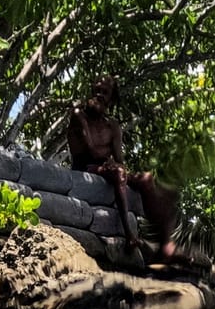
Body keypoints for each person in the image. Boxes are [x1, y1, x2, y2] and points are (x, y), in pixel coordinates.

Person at [65, 76, 182, 260]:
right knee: (118, 172)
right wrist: (113, 165)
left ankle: (164, 241)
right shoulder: (79, 114)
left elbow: (120, 159)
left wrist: (116, 165)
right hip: (85, 169)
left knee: (147, 179)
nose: (99, 95)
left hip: (105, 168)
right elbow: (91, 151)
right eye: (97, 91)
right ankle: (129, 235)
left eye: (105, 93)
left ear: (111, 100)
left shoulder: (112, 126)